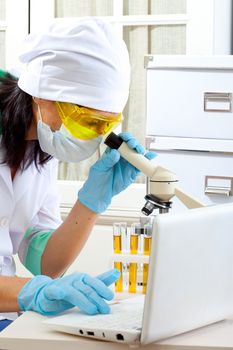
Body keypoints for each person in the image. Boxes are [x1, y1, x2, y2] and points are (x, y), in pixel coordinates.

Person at [0, 17, 155, 330]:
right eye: (88, 121)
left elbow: (46, 263)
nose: (92, 137)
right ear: (42, 95)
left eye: (104, 124)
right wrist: (34, 291)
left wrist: (92, 201)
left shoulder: (40, 148)